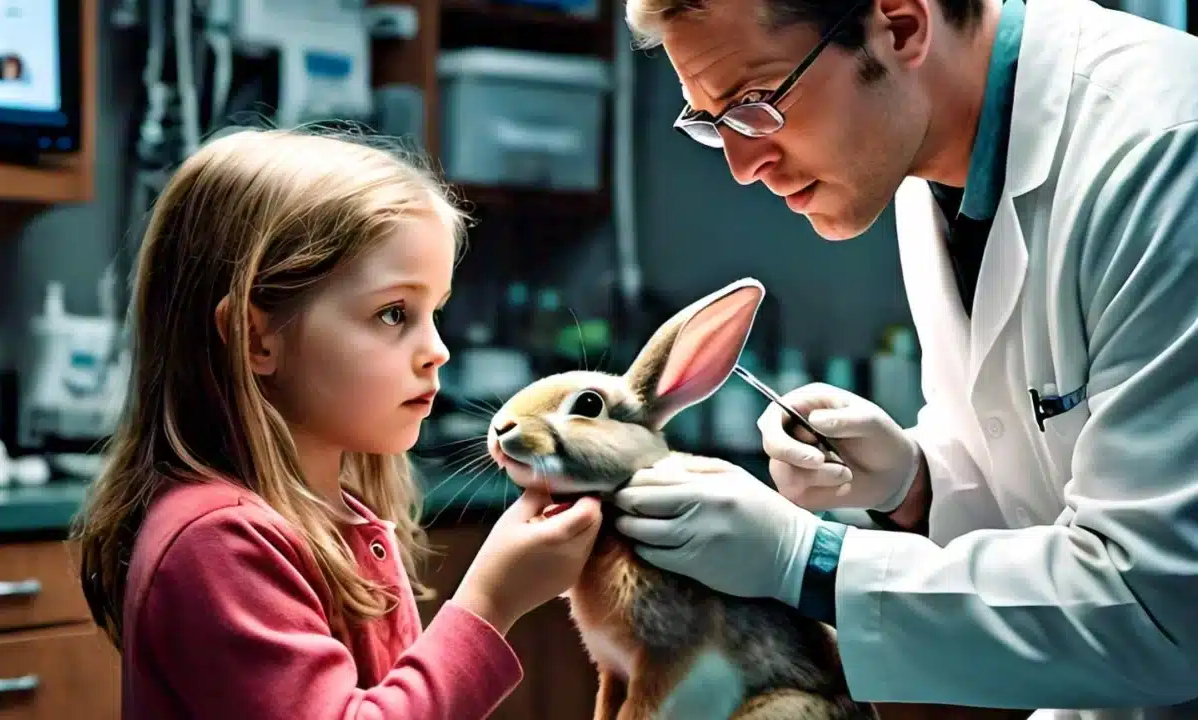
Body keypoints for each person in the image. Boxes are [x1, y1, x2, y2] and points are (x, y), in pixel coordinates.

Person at [609, 0, 1198, 717]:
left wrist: (808, 562)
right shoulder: (926, 163)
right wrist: (914, 486)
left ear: (902, 25)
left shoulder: (1163, 149)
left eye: (755, 103)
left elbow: (1160, 610)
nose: (742, 164)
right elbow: (1042, 503)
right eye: (711, 121)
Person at [71, 127, 604, 719]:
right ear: (255, 338)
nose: (438, 350)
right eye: (393, 313)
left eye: (435, 312)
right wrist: (491, 602)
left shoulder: (333, 516)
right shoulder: (218, 542)